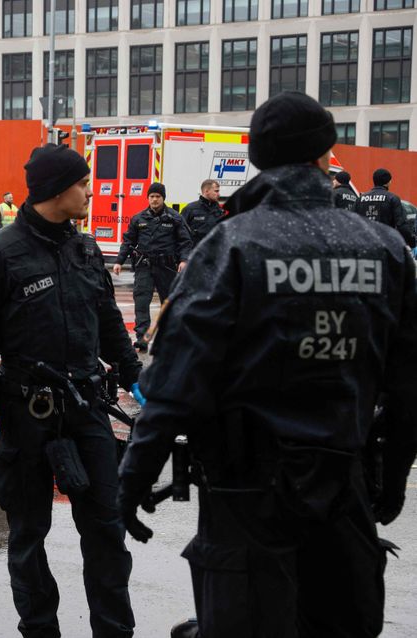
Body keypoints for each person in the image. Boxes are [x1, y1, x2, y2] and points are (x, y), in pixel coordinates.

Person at [119, 91, 417, 638]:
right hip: (343, 490)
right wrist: (390, 479)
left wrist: (131, 481)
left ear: (257, 159)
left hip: (247, 501)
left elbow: (176, 383)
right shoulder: (387, 249)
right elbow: (408, 388)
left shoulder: (231, 245)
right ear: (327, 155)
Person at [0, 144, 142, 638]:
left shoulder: (83, 249)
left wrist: (135, 374)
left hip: (86, 410)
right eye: (83, 183)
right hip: (24, 413)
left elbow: (106, 321)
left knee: (106, 530)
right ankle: (40, 630)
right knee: (28, 536)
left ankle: (115, 631)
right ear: (58, 189)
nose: (89, 192)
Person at [113, 182, 192, 351]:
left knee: (169, 303)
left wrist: (184, 260)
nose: (154, 200)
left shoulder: (175, 218)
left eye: (158, 197)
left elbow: (185, 242)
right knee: (141, 302)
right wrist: (119, 261)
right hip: (145, 266)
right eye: (152, 197)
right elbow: (128, 241)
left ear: (163, 198)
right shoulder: (138, 218)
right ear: (147, 198)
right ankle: (142, 338)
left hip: (167, 266)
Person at [355, 168, 416, 247]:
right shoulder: (392, 198)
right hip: (385, 244)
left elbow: (351, 220)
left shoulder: (360, 199)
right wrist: (412, 242)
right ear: (388, 182)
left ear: (374, 181)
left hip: (364, 244)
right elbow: (401, 225)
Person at [179, 179, 223, 246]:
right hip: (195, 252)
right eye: (216, 191)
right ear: (206, 191)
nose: (218, 194)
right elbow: (180, 232)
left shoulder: (219, 210)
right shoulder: (190, 209)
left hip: (214, 252)